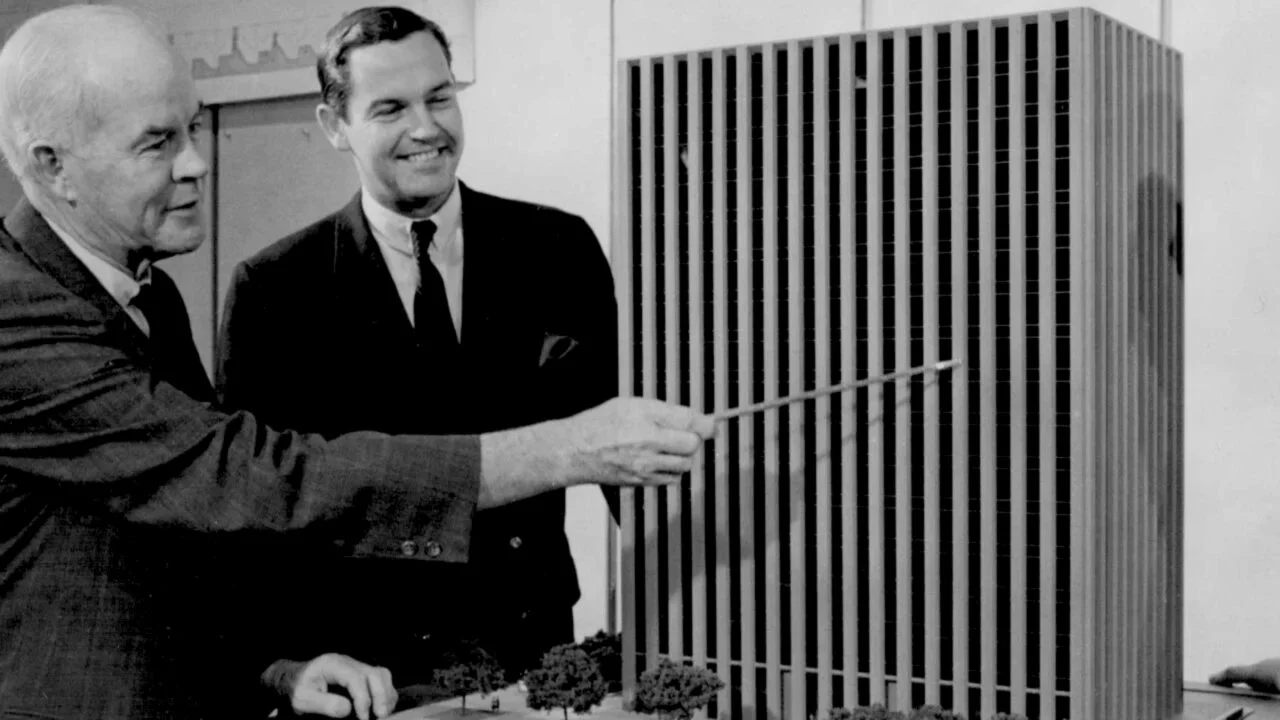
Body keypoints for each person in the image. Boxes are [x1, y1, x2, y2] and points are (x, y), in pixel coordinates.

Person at [0, 5, 714, 720]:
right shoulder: (24, 311)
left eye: (192, 128)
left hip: (521, 652)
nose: (197, 161)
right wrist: (561, 450)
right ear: (51, 165)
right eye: (158, 142)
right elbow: (247, 480)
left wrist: (277, 672)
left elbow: (181, 541)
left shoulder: (148, 292)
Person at [215, 4, 631, 692]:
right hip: (372, 670)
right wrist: (283, 669)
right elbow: (251, 512)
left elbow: (621, 452)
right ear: (334, 125)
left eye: (439, 98)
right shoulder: (275, 288)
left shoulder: (557, 248)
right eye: (390, 109)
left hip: (530, 652)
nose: (426, 129)